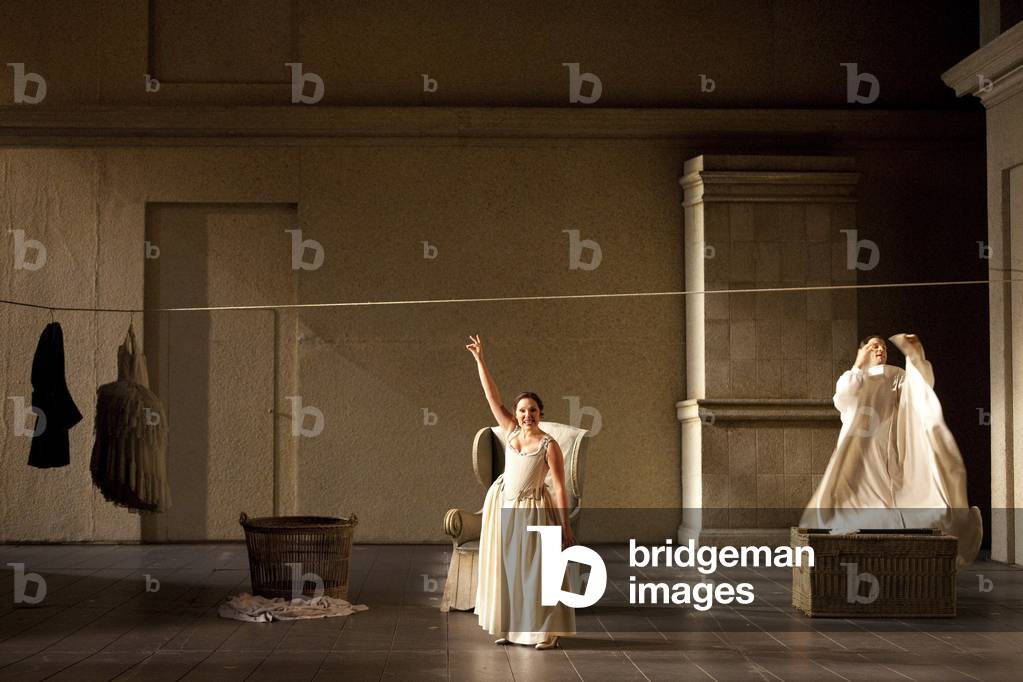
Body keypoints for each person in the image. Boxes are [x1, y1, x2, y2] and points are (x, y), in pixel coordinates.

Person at [800, 333, 982, 567]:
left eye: (883, 347)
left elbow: (921, 391)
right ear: (863, 350)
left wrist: (916, 356)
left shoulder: (896, 376)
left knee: (901, 505)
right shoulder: (855, 378)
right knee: (855, 505)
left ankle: (900, 563)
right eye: (874, 346)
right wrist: (858, 364)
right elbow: (844, 396)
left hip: (890, 453)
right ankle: (852, 563)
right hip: (862, 455)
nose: (880, 350)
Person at [465, 333, 576, 649]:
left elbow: (559, 486)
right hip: (503, 507)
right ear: (517, 413)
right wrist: (480, 360)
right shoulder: (511, 431)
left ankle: (545, 631)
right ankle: (512, 628)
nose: (528, 415)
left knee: (536, 572)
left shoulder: (548, 445)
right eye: (523, 410)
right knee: (509, 570)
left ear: (541, 413)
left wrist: (565, 526)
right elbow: (491, 397)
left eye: (533, 410)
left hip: (532, 509)